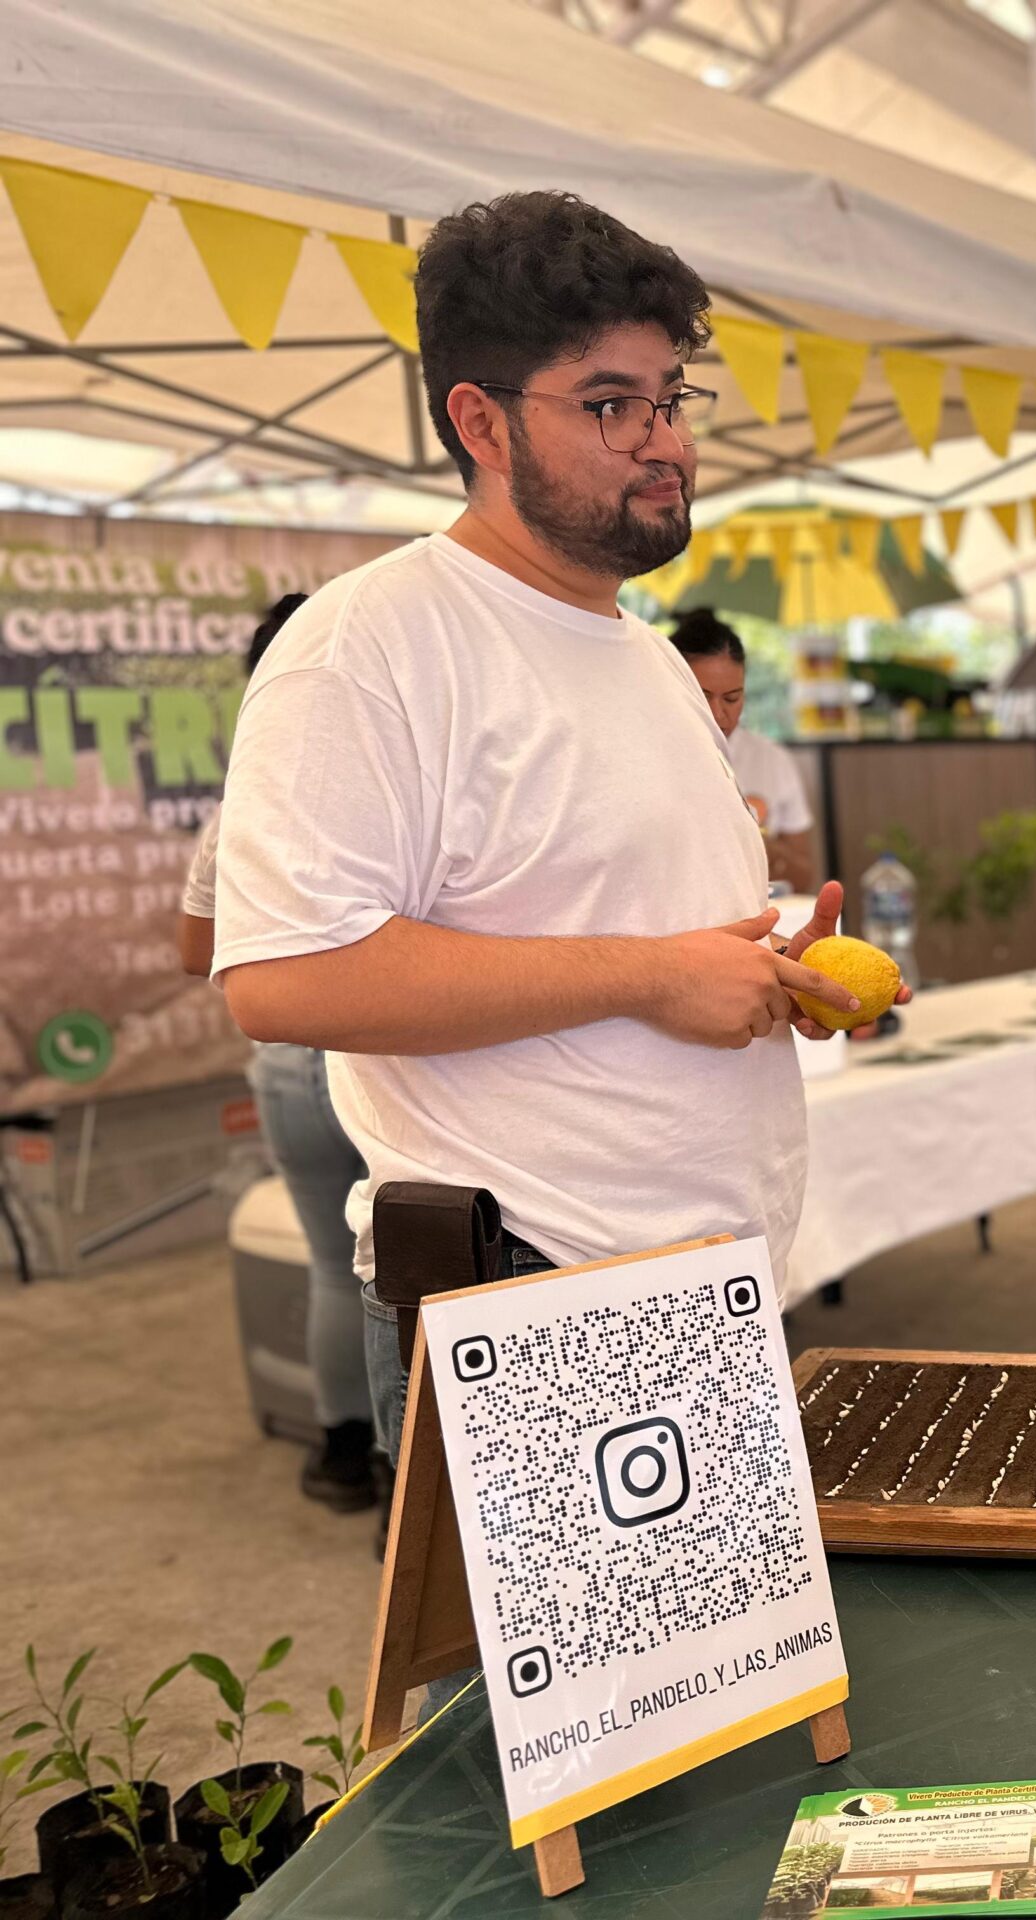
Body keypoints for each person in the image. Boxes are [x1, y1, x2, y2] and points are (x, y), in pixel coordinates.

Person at [211, 191, 904, 1494]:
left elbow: (623, 918)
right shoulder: (370, 646)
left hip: (701, 1279)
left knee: (717, 1700)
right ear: (479, 420)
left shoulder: (641, 653)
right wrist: (652, 975)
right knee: (546, 1708)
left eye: (674, 397)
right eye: (608, 406)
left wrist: (765, 973)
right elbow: (285, 978)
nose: (665, 444)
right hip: (527, 1303)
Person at [179, 592, 379, 1516]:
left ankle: (342, 1454)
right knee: (409, 1267)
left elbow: (197, 952)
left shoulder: (238, 807)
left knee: (336, 1263)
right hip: (381, 1058)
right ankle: (403, 1489)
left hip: (285, 1063)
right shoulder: (378, 782)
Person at [668, 606, 817, 891]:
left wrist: (767, 849)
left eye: (732, 698)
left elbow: (804, 879)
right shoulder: (648, 760)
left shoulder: (772, 761)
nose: (718, 714)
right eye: (702, 697)